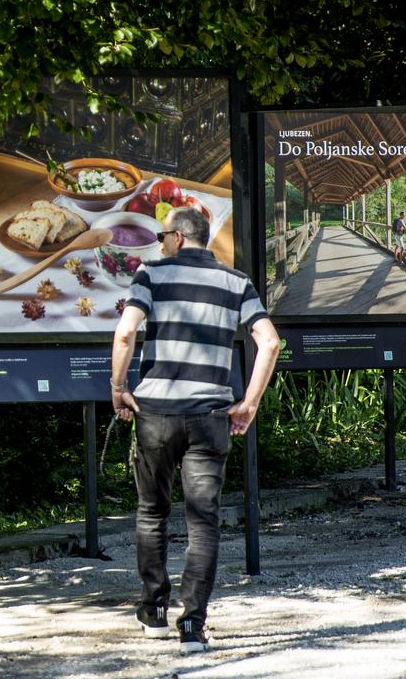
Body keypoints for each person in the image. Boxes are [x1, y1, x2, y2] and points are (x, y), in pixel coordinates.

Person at [111, 207, 280, 653]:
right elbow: (270, 341)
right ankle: (193, 626)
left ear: (180, 238)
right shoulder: (237, 282)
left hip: (156, 414)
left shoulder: (151, 275)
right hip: (210, 416)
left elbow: (125, 334)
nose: (161, 242)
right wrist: (249, 403)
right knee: (203, 520)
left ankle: (153, 611)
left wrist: (117, 387)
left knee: (152, 512)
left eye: (165, 235)